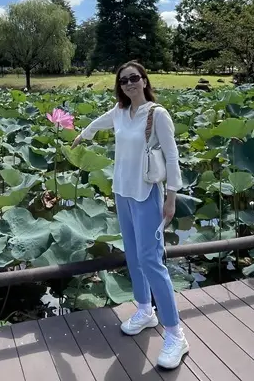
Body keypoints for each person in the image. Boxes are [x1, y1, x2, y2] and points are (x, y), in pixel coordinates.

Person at [71, 61, 189, 369]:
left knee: (152, 261)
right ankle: (144, 310)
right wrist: (82, 136)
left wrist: (172, 196)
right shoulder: (120, 113)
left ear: (145, 80)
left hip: (148, 194)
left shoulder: (156, 114)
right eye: (123, 80)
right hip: (122, 192)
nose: (129, 83)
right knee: (133, 255)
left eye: (134, 78)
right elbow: (100, 122)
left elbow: (173, 154)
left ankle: (176, 334)